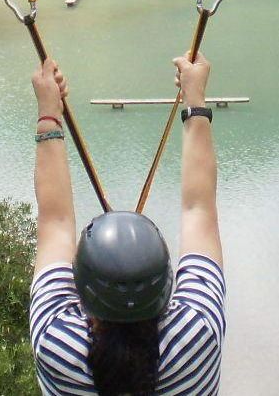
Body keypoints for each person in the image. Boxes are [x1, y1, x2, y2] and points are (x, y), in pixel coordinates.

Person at [29, 56, 224, 396]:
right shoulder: (197, 334)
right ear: (165, 283)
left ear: (83, 288)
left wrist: (49, 113)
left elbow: (55, 221)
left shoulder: (57, 346)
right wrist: (195, 101)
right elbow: (198, 209)